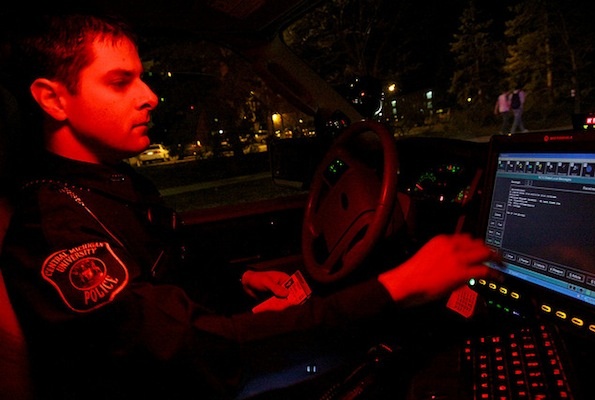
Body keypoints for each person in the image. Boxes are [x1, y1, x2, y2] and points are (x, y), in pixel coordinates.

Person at [0, 12, 499, 400]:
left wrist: (241, 281)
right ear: (53, 99)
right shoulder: (54, 227)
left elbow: (169, 271)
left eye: (143, 78)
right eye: (120, 81)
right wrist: (396, 287)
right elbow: (186, 350)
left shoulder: (110, 182)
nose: (150, 96)